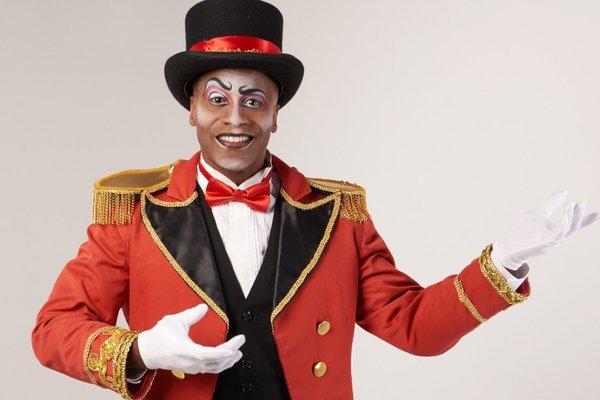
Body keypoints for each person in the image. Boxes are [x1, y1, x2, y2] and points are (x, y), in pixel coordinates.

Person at [31, 1, 599, 399]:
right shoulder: (133, 213)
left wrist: (502, 262)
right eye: (217, 98)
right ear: (192, 110)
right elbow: (54, 329)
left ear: (276, 114)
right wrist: (140, 351)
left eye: (254, 99)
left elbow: (415, 327)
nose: (235, 117)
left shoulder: (337, 218)